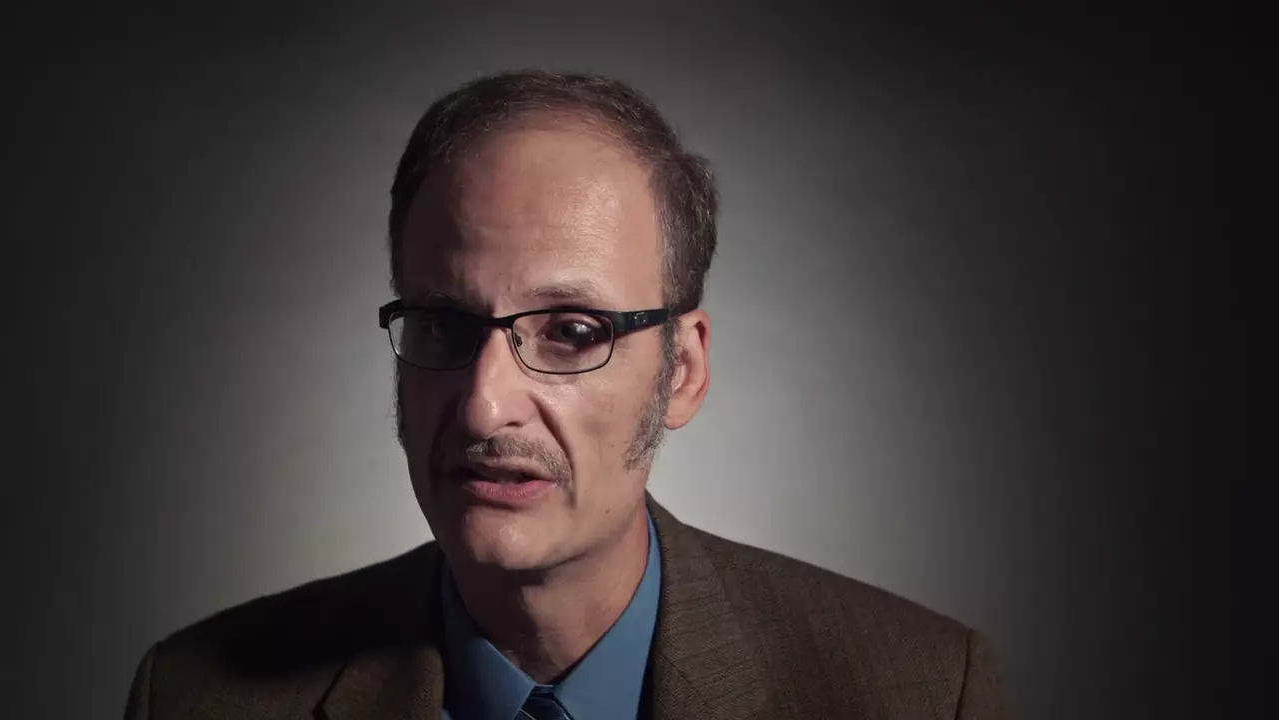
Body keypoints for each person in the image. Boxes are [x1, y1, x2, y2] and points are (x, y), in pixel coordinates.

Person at [124, 69, 1011, 719]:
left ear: (683, 371)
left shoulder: (923, 694)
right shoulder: (197, 698)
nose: (485, 406)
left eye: (573, 332)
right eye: (442, 324)